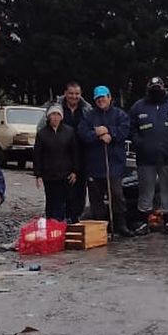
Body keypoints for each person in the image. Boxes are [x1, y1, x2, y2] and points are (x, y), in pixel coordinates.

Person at [127, 76, 168, 236]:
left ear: (164, 88)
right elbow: (131, 128)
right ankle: (142, 223)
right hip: (145, 158)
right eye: (153, 88)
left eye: (158, 88)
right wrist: (139, 143)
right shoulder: (138, 107)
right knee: (146, 191)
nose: (156, 91)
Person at [77, 84, 132, 237]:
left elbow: (124, 131)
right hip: (94, 164)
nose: (101, 100)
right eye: (98, 98)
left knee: (117, 195)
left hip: (113, 164)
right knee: (96, 199)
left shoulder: (120, 115)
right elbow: (83, 134)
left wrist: (110, 132)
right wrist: (97, 134)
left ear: (109, 98)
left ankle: (121, 224)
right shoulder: (89, 116)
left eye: (103, 97)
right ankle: (100, 226)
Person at [41, 81, 91, 222]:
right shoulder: (55, 108)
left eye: (76, 94)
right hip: (59, 158)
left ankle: (75, 220)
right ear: (65, 93)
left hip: (81, 156)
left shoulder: (87, 110)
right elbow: (42, 130)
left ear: (80, 95)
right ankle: (56, 222)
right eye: (71, 93)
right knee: (58, 194)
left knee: (79, 192)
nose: (74, 96)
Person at [32, 103, 79, 221]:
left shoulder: (69, 131)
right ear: (49, 117)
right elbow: (37, 154)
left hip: (65, 174)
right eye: (53, 114)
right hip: (49, 174)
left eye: (58, 114)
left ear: (62, 116)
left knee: (63, 201)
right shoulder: (42, 133)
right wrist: (38, 174)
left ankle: (62, 224)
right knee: (51, 201)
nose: (56, 117)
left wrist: (75, 170)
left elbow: (74, 152)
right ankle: (51, 224)